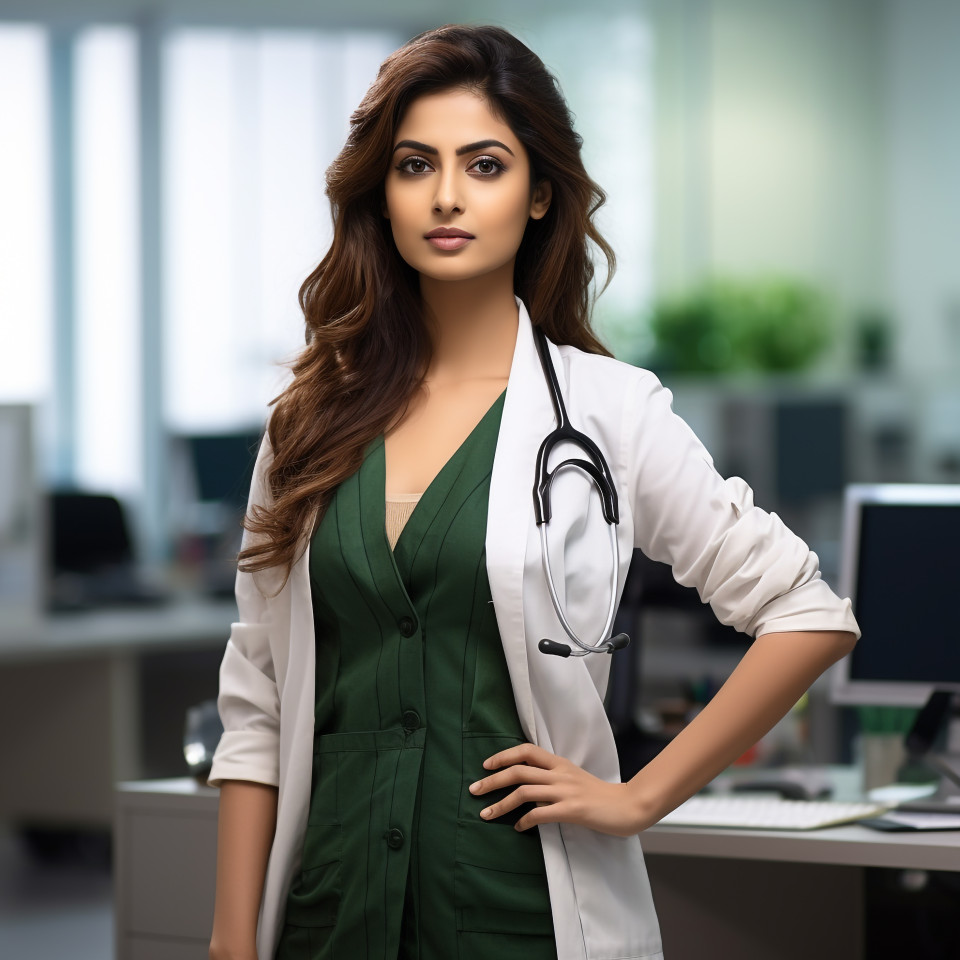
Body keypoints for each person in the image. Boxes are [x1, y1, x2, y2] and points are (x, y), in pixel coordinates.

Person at [207, 23, 859, 960]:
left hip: (519, 918)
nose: (445, 196)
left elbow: (809, 613)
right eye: (414, 165)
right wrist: (232, 944)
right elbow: (258, 702)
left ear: (540, 194)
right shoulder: (307, 423)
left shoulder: (608, 412)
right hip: (330, 914)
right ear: (379, 195)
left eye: (484, 165)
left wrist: (638, 796)